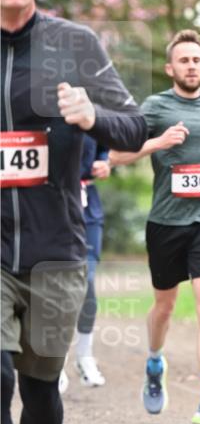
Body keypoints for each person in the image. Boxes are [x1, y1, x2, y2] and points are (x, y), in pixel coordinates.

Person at [0, 0, 147, 424]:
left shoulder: (73, 42)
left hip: (57, 244)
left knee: (37, 388)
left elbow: (137, 123)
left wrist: (91, 119)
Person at [110, 29, 200, 424]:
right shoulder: (155, 107)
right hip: (166, 222)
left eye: (197, 60)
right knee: (164, 307)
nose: (191, 66)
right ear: (170, 68)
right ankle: (154, 360)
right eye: (183, 60)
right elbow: (116, 153)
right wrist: (157, 142)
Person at [60, 135, 111, 391]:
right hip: (52, 204)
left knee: (87, 281)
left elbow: (104, 149)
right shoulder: (41, 109)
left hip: (88, 208)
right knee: (56, 284)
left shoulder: (92, 111)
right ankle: (54, 361)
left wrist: (104, 162)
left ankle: (84, 355)